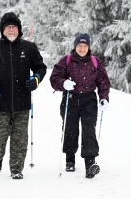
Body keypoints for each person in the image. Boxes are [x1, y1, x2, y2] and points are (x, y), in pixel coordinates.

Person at [0, 12, 47, 179]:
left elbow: (40, 66)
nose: (11, 29)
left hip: (22, 103)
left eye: (14, 27)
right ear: (2, 29)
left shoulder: (29, 48)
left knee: (20, 138)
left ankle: (16, 168)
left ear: (19, 29)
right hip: (0, 101)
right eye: (8, 27)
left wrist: (36, 79)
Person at [50, 33, 111, 178]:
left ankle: (90, 164)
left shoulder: (95, 62)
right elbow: (54, 78)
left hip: (89, 99)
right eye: (79, 46)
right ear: (75, 46)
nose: (82, 49)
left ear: (89, 47)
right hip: (70, 99)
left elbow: (103, 82)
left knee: (89, 130)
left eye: (85, 46)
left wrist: (104, 98)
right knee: (70, 129)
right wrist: (63, 83)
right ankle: (70, 158)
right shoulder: (66, 61)